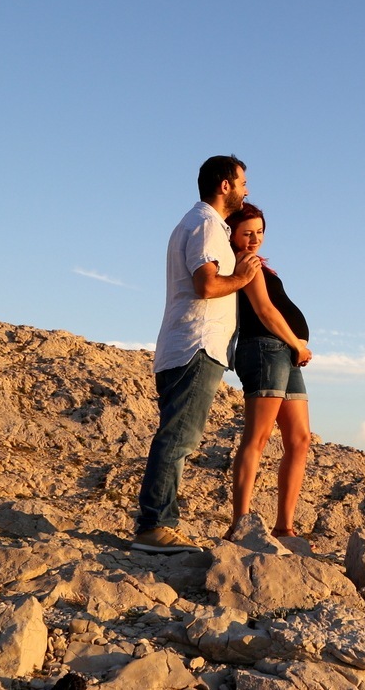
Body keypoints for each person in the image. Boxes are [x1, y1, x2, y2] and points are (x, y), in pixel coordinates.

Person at [132, 154, 262, 553]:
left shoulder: (202, 224)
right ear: (225, 185)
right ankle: (155, 525)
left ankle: (160, 522)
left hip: (188, 344)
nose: (247, 190)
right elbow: (206, 285)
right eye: (242, 182)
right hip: (196, 343)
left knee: (177, 435)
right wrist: (241, 277)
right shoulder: (205, 225)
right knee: (179, 438)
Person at [225, 201, 314, 541]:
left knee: (300, 439)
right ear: (232, 234)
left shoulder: (260, 264)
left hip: (284, 353)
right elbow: (264, 310)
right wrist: (297, 343)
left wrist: (294, 347)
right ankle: (240, 524)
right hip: (266, 348)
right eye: (247, 233)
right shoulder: (244, 263)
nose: (254, 240)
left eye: (259, 232)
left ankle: (284, 527)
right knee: (257, 438)